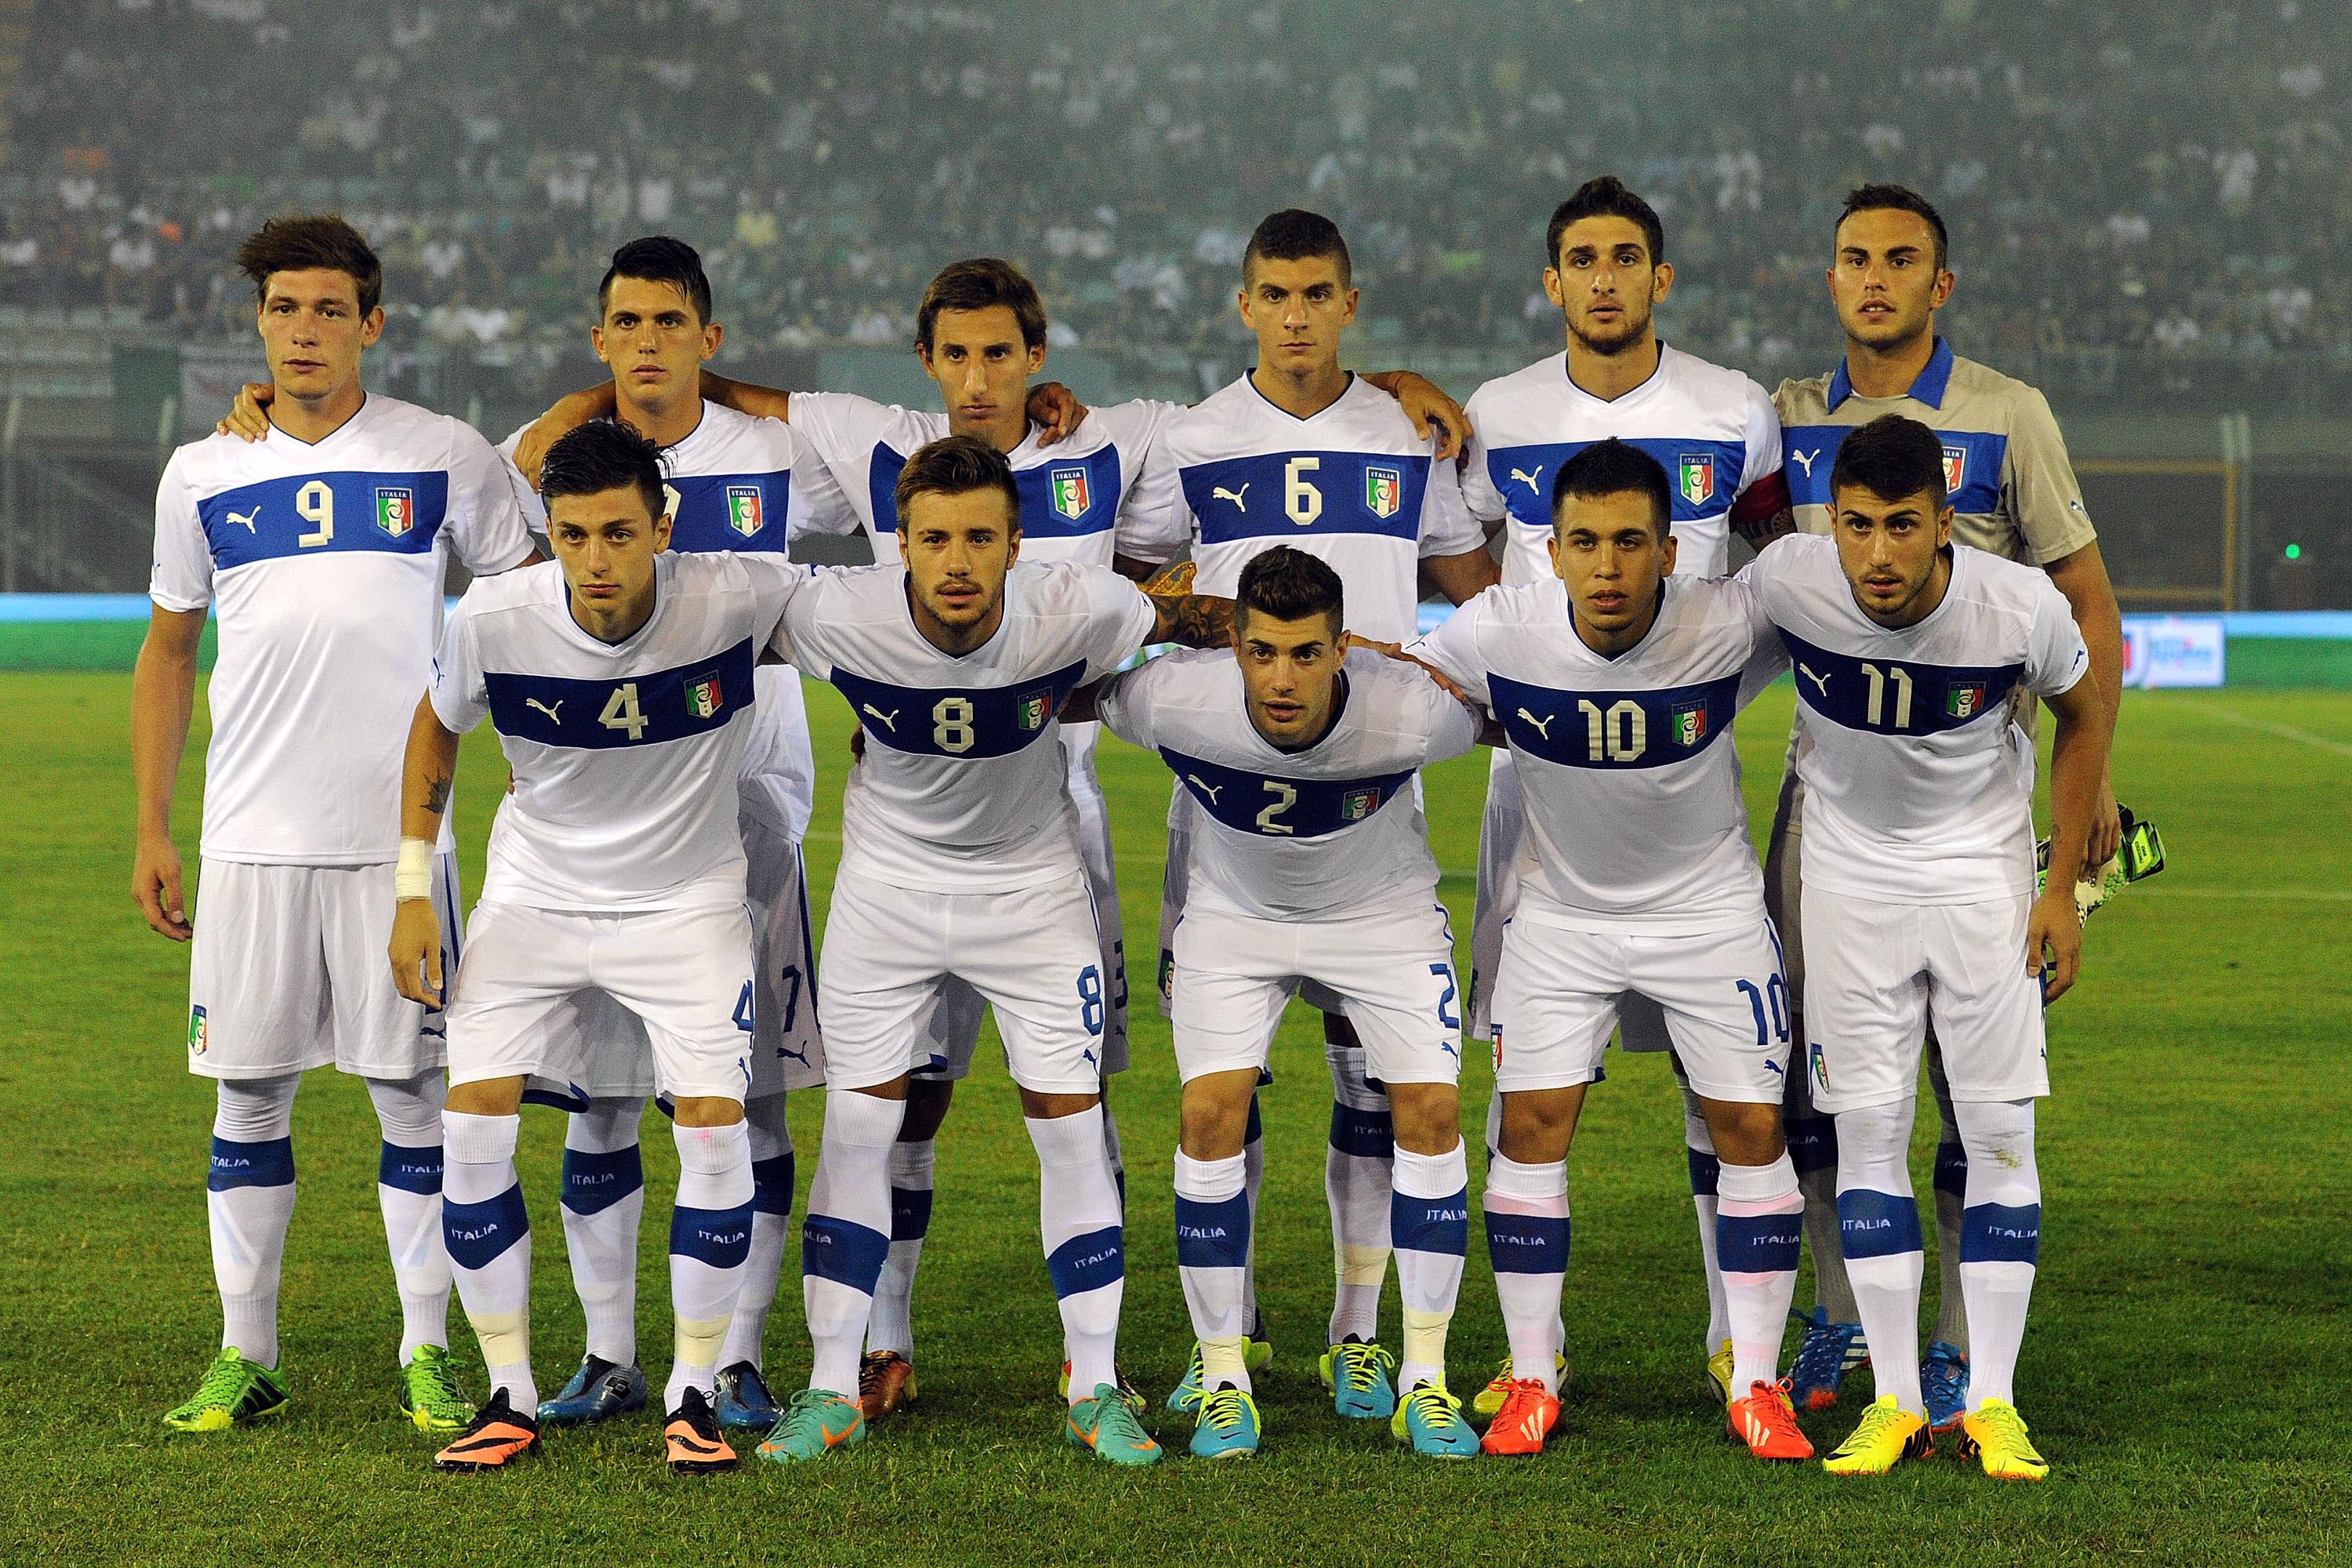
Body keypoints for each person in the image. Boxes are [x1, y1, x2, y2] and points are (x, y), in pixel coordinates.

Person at [510, 254, 1466, 1422]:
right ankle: (872, 1349)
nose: (977, 376)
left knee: (1076, 1104)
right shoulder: (867, 451)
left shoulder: (1115, 448)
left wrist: (1352, 626)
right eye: (956, 353)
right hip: (890, 866)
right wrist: (583, 404)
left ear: (1037, 360)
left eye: (999, 353)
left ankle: (1098, 1373)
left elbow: (1185, 596)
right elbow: (725, 407)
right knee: (891, 1107)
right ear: (927, 367)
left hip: (1054, 838)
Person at [755, 435, 1240, 1468]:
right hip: (885, 900)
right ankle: (832, 1386)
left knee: (1069, 1131)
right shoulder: (836, 611)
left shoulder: (1085, 607)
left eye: (981, 536)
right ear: (901, 545)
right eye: (936, 539)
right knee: (858, 1131)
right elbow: (692, 622)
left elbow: (1200, 619)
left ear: (1017, 543)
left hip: (1031, 895)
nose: (960, 560)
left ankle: (1097, 1387)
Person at [134, 214, 535, 1436]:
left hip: (398, 851)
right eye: (282, 310)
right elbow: (167, 649)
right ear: (259, 325)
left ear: (372, 322)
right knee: (245, 1103)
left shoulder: (444, 455)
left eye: (327, 310)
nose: (302, 331)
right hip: (247, 841)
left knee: (413, 1101)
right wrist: (153, 826)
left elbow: (523, 603)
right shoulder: (203, 471)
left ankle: (427, 1353)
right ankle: (245, 1355)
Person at [1120, 209, 1499, 1421]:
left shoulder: (1405, 429)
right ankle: (1231, 1332)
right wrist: (1191, 625)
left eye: (1316, 293)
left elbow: (1469, 588)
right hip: (1226, 799)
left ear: (1350, 303)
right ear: (1245, 305)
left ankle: (1357, 1330)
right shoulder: (1192, 438)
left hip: (1372, 784)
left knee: (1370, 1079)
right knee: (1228, 1080)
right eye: (1273, 293)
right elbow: (1136, 586)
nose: (1294, 314)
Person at [1766, 185, 2125, 1430]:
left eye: (1901, 260)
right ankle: (1835, 1321)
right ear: (1830, 277)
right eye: (1854, 257)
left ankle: (1970, 1355)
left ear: (1941, 284)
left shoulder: (2006, 414)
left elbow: (2085, 610)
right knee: (1827, 1088)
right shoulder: (1792, 415)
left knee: (1981, 1090)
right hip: (1832, 806)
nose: (1875, 279)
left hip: (1980, 803)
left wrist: (2083, 829)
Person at [394, 419, 813, 1475]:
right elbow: (436, 727)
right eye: (573, 535)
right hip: (537, 898)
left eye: (619, 533)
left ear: (662, 527)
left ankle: (690, 1393)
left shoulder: (738, 595)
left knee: (713, 1131)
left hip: (686, 902)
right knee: (473, 1123)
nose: (596, 560)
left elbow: (884, 616)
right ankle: (508, 1393)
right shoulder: (497, 616)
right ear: (549, 532)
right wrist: (413, 887)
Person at [1454, 176, 1792, 1414]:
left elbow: (1780, 560)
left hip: (1687, 760)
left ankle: (1731, 1340)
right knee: (1530, 1097)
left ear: (1660, 276)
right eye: (1581, 258)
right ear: (1553, 280)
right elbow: (1462, 554)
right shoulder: (1496, 413)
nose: (1604, 277)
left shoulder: (1731, 407)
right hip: (1540, 791)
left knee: (1729, 1097)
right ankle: (1524, 1357)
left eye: (1626, 257)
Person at [1411, 441, 1811, 1463]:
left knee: (1751, 1129)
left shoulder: (1730, 621)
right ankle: (1533, 1377)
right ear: (1548, 550)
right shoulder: (1500, 628)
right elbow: (1387, 688)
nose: (1608, 566)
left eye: (1631, 542)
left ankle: (1756, 1378)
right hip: (1564, 918)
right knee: (1533, 1128)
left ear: (1671, 551)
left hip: (1709, 912)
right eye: (1583, 542)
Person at [1087, 546, 1481, 1459]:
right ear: (1233, 642)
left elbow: (1503, 720)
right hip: (1236, 917)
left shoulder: (1411, 713)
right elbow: (1073, 695)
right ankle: (1225, 1372)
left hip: (1380, 915)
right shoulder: (1173, 699)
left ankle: (1423, 1378)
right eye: (1262, 651)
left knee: (1429, 1109)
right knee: (1207, 1112)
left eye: (1307, 652)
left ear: (1344, 647)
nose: (1282, 676)